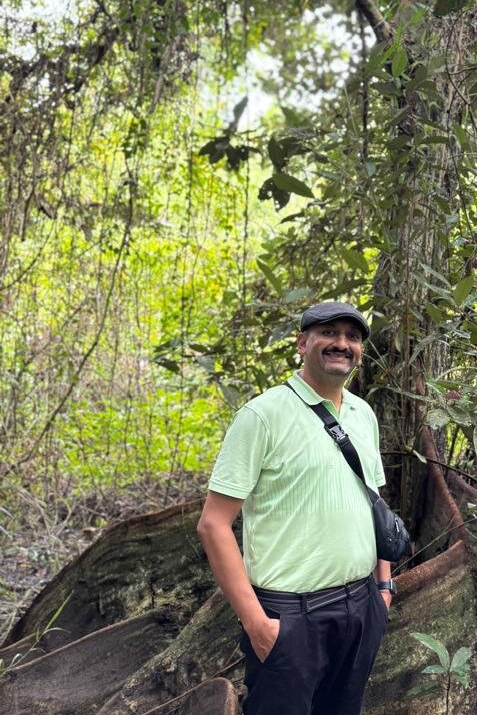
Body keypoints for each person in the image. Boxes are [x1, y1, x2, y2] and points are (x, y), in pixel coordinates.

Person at [197, 301, 394, 715]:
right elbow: (214, 525)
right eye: (329, 333)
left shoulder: (364, 414)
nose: (342, 344)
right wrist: (258, 624)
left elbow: (374, 503)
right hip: (289, 616)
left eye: (353, 337)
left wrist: (383, 588)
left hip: (361, 607)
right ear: (302, 343)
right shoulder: (262, 416)